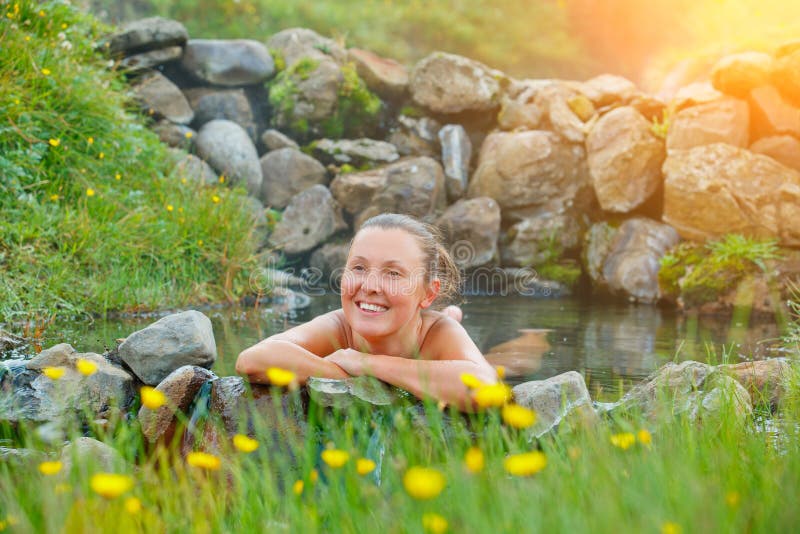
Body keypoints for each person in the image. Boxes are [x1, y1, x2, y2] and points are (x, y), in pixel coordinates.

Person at [236, 213, 497, 411]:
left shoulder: (437, 333)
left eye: (393, 273)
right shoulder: (339, 326)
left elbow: (486, 385)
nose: (369, 286)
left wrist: (366, 363)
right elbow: (252, 360)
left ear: (428, 293)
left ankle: (453, 314)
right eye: (359, 268)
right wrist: (348, 377)